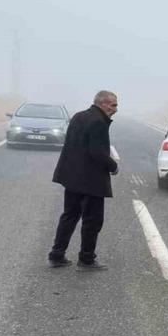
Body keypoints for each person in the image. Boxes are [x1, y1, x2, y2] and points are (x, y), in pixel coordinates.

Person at [48, 90, 119, 271]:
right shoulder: (98, 122)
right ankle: (86, 260)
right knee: (93, 221)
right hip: (91, 181)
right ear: (102, 103)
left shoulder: (79, 116)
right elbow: (98, 152)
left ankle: (56, 255)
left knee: (69, 216)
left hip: (71, 178)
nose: (115, 109)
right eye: (113, 105)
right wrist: (114, 166)